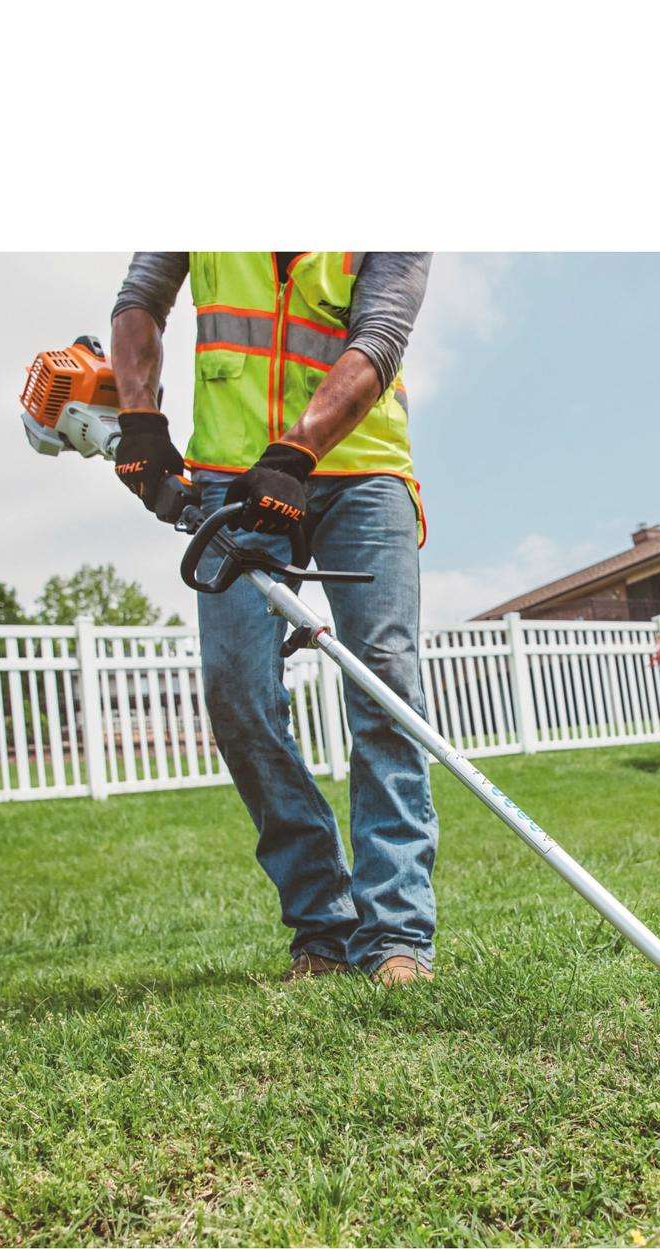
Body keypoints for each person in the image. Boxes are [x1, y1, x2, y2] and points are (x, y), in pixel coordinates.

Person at [109, 252, 437, 985]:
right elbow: (139, 302)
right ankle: (324, 921)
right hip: (232, 470)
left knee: (384, 682)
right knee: (237, 691)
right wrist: (138, 418)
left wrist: (298, 451)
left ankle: (396, 935)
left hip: (363, 472)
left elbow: (379, 337)